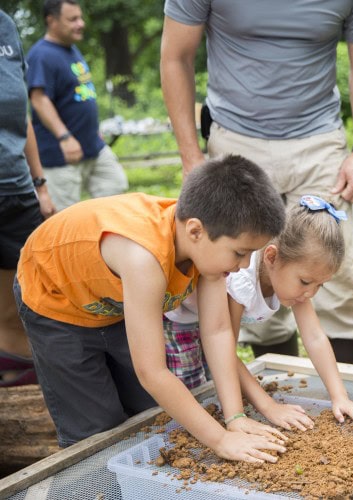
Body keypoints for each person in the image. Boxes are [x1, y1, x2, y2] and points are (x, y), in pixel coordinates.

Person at [14, 154, 290, 463]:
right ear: (196, 231)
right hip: (54, 303)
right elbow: (153, 373)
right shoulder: (144, 259)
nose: (242, 267)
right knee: (95, 429)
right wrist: (221, 440)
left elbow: (217, 330)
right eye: (240, 253)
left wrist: (235, 416)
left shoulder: (207, 249)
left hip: (112, 304)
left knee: (150, 411)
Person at [160, 0, 353, 364]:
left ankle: (344, 389)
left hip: (318, 139)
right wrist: (190, 156)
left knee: (332, 268)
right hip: (235, 137)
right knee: (246, 265)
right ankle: (282, 380)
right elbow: (175, 57)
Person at [165, 195, 353, 428]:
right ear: (271, 257)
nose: (310, 293)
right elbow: (223, 349)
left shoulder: (293, 280)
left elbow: (315, 337)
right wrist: (268, 406)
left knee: (217, 383)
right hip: (180, 321)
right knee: (192, 394)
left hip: (213, 329)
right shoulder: (240, 280)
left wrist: (340, 397)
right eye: (306, 281)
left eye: (320, 285)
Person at [26, 0, 128, 211]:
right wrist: (64, 137)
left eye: (80, 18)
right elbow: (38, 99)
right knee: (63, 218)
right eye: (72, 19)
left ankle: (98, 239)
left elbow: (77, 96)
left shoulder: (71, 49)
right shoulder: (42, 55)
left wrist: (93, 129)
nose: (80, 24)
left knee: (116, 187)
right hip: (60, 155)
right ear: (51, 20)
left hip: (92, 146)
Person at [0, 8, 56, 388]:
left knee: (23, 306)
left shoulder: (6, 23)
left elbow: (22, 115)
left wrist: (40, 184)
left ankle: (19, 389)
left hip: (17, 191)